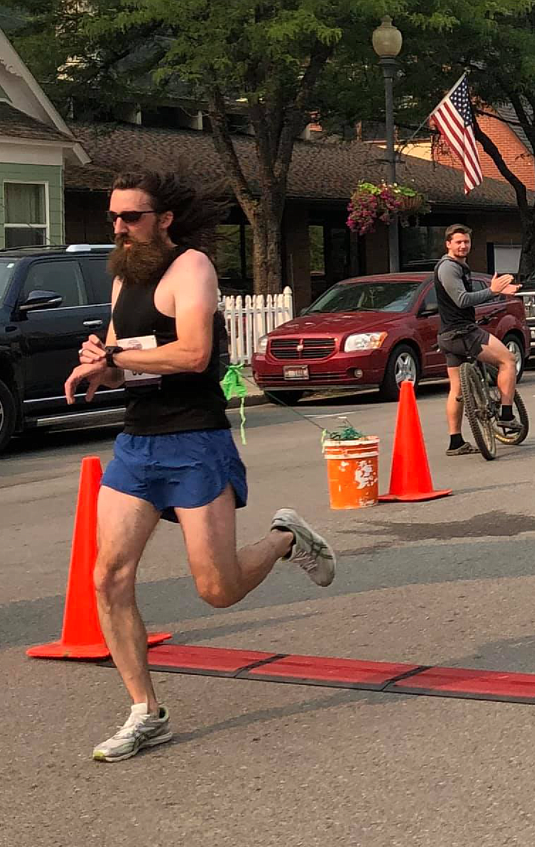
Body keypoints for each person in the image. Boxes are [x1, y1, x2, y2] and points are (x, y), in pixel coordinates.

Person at [64, 170, 336, 762]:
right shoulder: (122, 278)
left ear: (162, 220)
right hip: (137, 441)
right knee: (108, 577)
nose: (119, 228)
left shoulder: (191, 268)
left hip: (194, 440)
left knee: (218, 590)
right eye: (113, 218)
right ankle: (145, 711)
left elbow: (193, 353)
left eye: (130, 218)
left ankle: (286, 538)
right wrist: (99, 367)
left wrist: (114, 355)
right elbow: (123, 363)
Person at [434, 224, 522, 457]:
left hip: (448, 334)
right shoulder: (448, 268)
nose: (463, 246)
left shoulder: (459, 266)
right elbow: (463, 300)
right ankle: (506, 415)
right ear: (448, 244)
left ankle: (456, 442)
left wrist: (501, 291)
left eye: (466, 242)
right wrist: (493, 291)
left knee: (456, 389)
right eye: (458, 242)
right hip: (462, 333)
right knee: (508, 360)